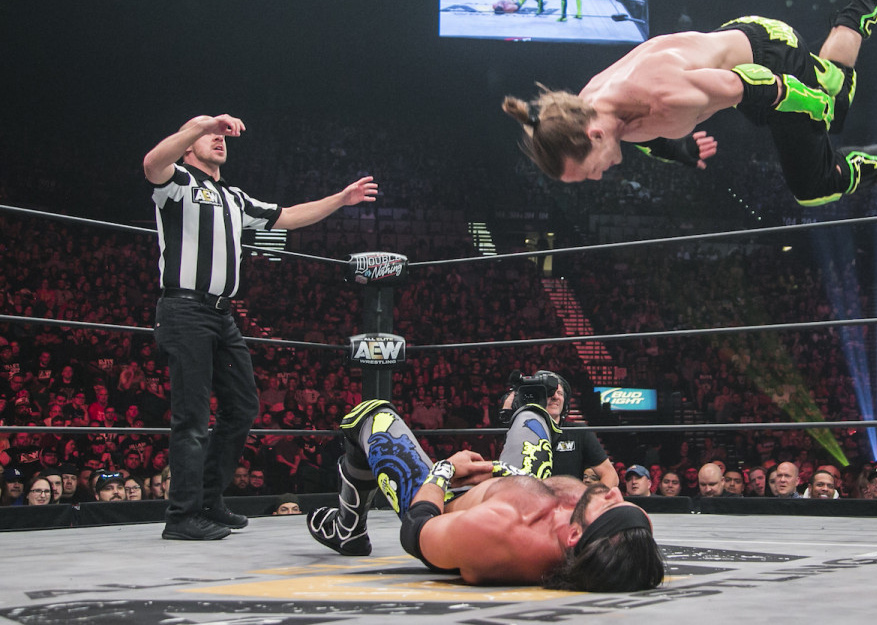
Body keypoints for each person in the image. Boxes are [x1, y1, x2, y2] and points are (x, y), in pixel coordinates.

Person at [503, 0, 877, 219]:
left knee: (826, 142)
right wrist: (679, 150)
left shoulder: (665, 99)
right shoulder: (588, 105)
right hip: (736, 45)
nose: (596, 179)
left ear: (595, 135)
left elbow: (753, 84)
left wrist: (816, 104)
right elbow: (643, 135)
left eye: (586, 174)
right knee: (831, 87)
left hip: (765, 58)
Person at [143, 113, 378, 541]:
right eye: (207, 134)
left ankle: (209, 501)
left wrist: (340, 199)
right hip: (185, 310)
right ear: (189, 141)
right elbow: (151, 164)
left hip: (222, 315)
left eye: (219, 134)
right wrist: (202, 124)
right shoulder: (177, 184)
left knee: (242, 407)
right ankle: (181, 516)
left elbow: (288, 216)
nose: (218, 138)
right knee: (193, 418)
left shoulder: (234, 197)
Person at [307, 399, 664, 591]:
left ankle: (348, 529)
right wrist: (505, 474)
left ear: (573, 535)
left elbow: (416, 531)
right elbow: (618, 516)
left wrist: (445, 471)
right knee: (532, 411)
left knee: (372, 417)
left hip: (442, 500)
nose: (614, 494)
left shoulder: (499, 531)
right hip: (512, 483)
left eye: (610, 506)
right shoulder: (615, 530)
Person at [496, 370, 619, 488]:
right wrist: (508, 410)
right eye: (549, 393)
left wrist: (590, 503)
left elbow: (611, 476)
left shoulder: (578, 432)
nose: (555, 397)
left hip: (568, 506)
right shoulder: (521, 431)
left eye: (560, 393)